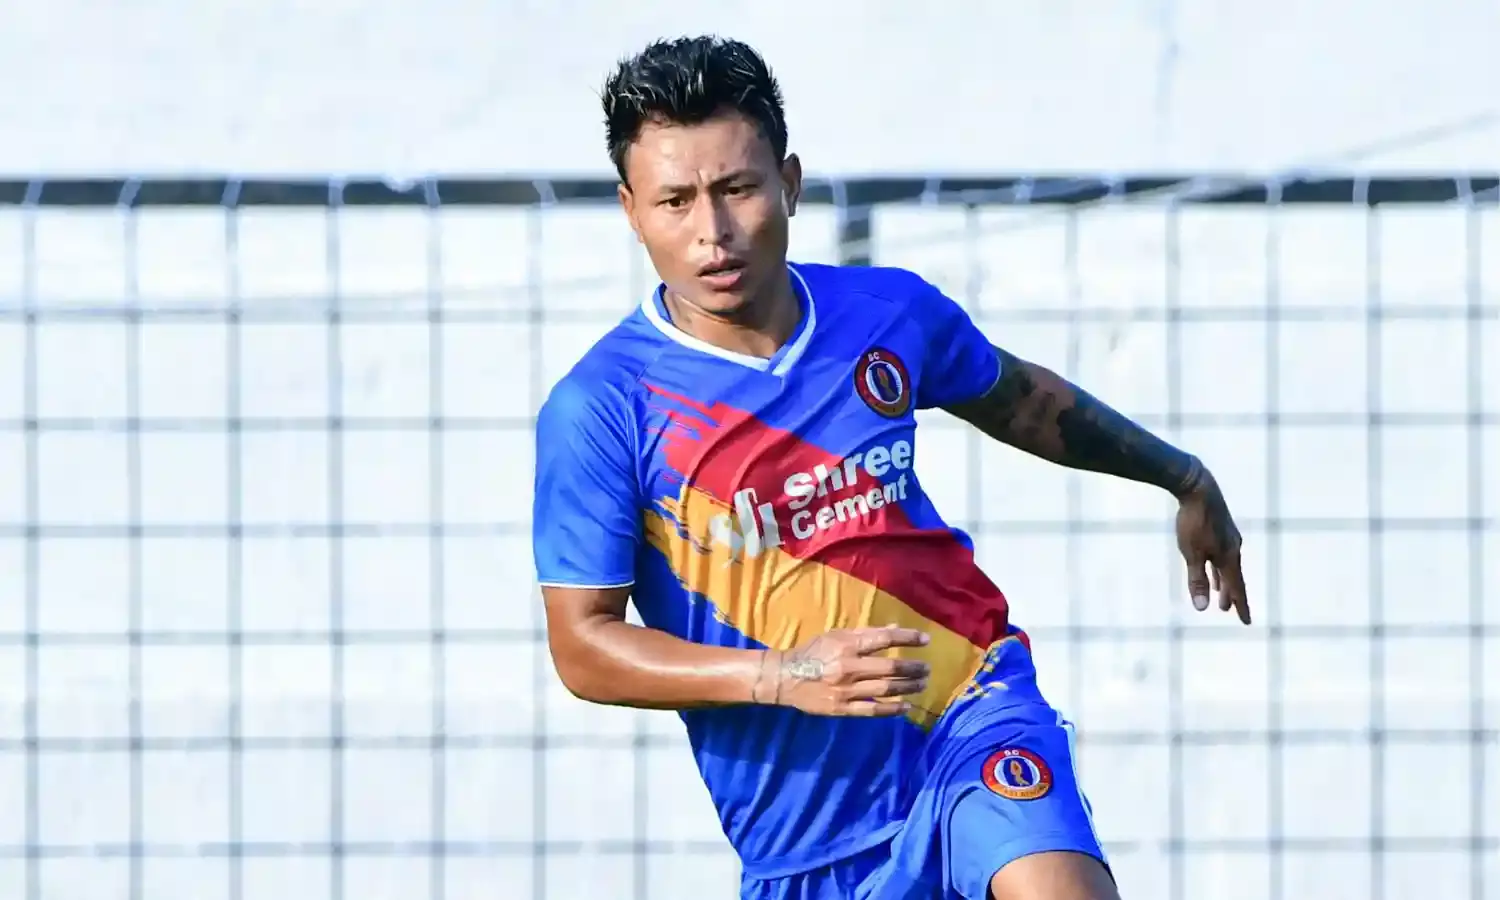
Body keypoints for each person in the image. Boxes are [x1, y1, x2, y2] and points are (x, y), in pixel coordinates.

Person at [531, 35, 1250, 900]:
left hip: (970, 711)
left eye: (738, 189)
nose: (712, 232)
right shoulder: (603, 407)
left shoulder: (886, 312)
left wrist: (1183, 477)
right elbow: (584, 647)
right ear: (631, 210)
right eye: (675, 201)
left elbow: (1021, 401)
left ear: (789, 183)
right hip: (805, 836)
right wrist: (781, 676)